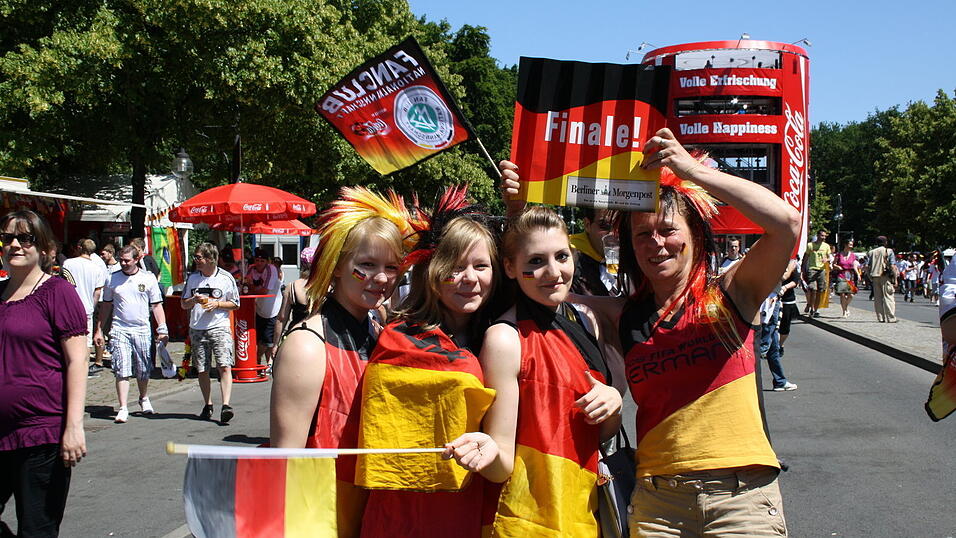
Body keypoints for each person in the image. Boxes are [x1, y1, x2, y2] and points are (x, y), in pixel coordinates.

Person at [503, 127, 799, 535]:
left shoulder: (734, 293)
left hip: (741, 500)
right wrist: (517, 212)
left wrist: (693, 171)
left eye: (668, 229)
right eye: (643, 234)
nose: (656, 243)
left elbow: (785, 223)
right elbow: (534, 285)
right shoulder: (621, 315)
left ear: (694, 234)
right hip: (657, 504)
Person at [444, 206, 622, 536]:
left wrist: (613, 401)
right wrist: (480, 450)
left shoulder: (586, 320)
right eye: (536, 262)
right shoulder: (505, 339)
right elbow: (500, 466)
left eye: (562, 256)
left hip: (582, 513)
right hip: (524, 521)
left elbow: (600, 434)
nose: (553, 271)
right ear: (510, 267)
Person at [270, 187, 414, 538]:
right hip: (320, 516)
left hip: (374, 512)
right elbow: (284, 463)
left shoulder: (381, 333)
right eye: (366, 265)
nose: (381, 278)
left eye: (391, 267)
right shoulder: (306, 345)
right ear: (335, 266)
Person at [358, 186, 501, 537]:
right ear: (433, 273)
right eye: (455, 267)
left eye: (481, 266)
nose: (470, 278)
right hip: (403, 513)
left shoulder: (501, 334)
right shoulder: (398, 338)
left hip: (477, 507)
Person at [0, 210, 88, 536]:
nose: (15, 245)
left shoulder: (57, 292)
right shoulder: (1, 294)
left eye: (25, 238)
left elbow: (77, 361)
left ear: (43, 246)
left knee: (37, 529)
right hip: (1, 430)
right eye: (8, 237)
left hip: (41, 433)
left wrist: (74, 427)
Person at [94, 245, 168, 423]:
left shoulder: (147, 278)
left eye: (127, 260)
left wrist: (163, 328)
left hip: (142, 328)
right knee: (122, 368)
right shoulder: (113, 279)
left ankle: (143, 397)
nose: (124, 263)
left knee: (143, 370)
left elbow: (156, 305)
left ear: (136, 259)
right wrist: (99, 329)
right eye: (121, 260)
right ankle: (123, 407)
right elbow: (106, 306)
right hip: (120, 329)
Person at [181, 243, 240, 423]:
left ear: (210, 259)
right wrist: (193, 300)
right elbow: (183, 304)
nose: (196, 261)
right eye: (196, 257)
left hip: (219, 326)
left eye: (199, 257)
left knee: (224, 365)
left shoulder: (225, 277)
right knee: (202, 368)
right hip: (198, 328)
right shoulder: (192, 278)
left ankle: (226, 405)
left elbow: (236, 303)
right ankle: (208, 404)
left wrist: (217, 304)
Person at [61, 238, 108, 377]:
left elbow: (64, 284)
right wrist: (91, 306)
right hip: (86, 309)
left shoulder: (68, 263)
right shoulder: (96, 268)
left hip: (69, 308)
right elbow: (97, 292)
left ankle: (69, 366)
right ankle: (84, 368)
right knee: (86, 341)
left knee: (68, 338)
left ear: (79, 247)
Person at [272, 246, 316, 354]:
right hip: (319, 336)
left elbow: (282, 318)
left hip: (296, 335)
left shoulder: (291, 287)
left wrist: (275, 345)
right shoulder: (327, 287)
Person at [243, 247, 282, 367]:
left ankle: (257, 360)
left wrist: (251, 288)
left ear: (267, 262)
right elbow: (245, 286)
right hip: (259, 308)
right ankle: (267, 365)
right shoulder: (251, 268)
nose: (259, 263)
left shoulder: (271, 269)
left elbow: (264, 290)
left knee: (267, 341)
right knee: (259, 339)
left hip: (272, 309)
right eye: (257, 260)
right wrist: (249, 287)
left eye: (262, 261)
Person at [569, 207, 619, 296]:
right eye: (604, 225)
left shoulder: (634, 257)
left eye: (619, 225)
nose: (613, 234)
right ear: (587, 225)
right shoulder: (568, 259)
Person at [760, 284, 796, 391]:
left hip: (772, 298)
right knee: (762, 346)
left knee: (773, 349)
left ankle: (779, 381)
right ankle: (745, 380)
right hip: (770, 300)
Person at [867, 236, 897, 323]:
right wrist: (895, 278)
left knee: (878, 298)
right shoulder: (889, 251)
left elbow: (867, 267)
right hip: (885, 276)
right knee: (888, 297)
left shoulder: (871, 252)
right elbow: (892, 266)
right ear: (885, 242)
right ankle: (891, 317)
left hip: (875, 277)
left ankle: (880, 317)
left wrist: (870, 277)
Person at [802, 229, 831, 317]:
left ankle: (815, 309)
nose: (823, 238)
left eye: (825, 236)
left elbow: (830, 257)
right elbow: (806, 257)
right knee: (812, 289)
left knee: (820, 290)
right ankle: (810, 305)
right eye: (822, 236)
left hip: (821, 270)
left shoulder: (826, 246)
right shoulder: (810, 245)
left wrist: (827, 259)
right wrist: (803, 270)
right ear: (818, 235)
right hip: (812, 269)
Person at [778, 258, 801, 354]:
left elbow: (795, 281)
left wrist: (785, 287)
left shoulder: (792, 264)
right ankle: (773, 346)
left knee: (785, 327)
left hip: (788, 300)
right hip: (774, 299)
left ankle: (780, 344)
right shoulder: (775, 263)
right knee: (773, 326)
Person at [832, 238, 859, 318]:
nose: (851, 246)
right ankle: (844, 311)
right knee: (842, 294)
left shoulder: (853, 255)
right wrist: (838, 267)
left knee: (851, 295)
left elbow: (854, 266)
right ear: (845, 245)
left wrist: (858, 274)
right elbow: (833, 264)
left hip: (849, 276)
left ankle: (846, 307)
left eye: (852, 245)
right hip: (841, 275)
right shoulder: (839, 254)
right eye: (850, 245)